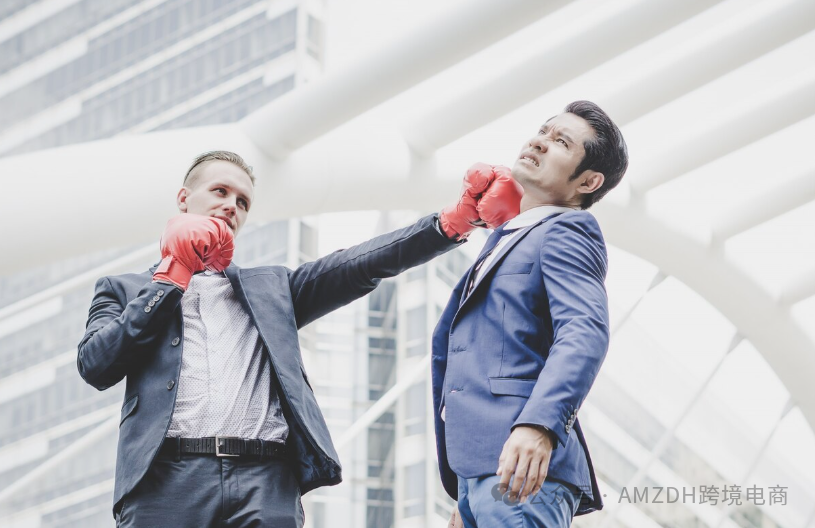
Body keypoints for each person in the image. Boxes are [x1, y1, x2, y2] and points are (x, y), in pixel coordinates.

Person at [76, 151, 522, 527]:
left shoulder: (273, 288)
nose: (232, 206)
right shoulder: (123, 289)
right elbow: (97, 364)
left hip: (265, 480)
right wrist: (171, 275)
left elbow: (360, 264)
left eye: (243, 202)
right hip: (165, 484)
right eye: (220, 192)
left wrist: (452, 222)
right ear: (183, 199)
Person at [432, 101, 629, 528]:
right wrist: (471, 486)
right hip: (485, 472)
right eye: (543, 130)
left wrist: (540, 426)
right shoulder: (509, 238)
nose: (539, 141)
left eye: (561, 142)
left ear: (588, 181)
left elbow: (584, 331)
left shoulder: (568, 230)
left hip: (523, 466)